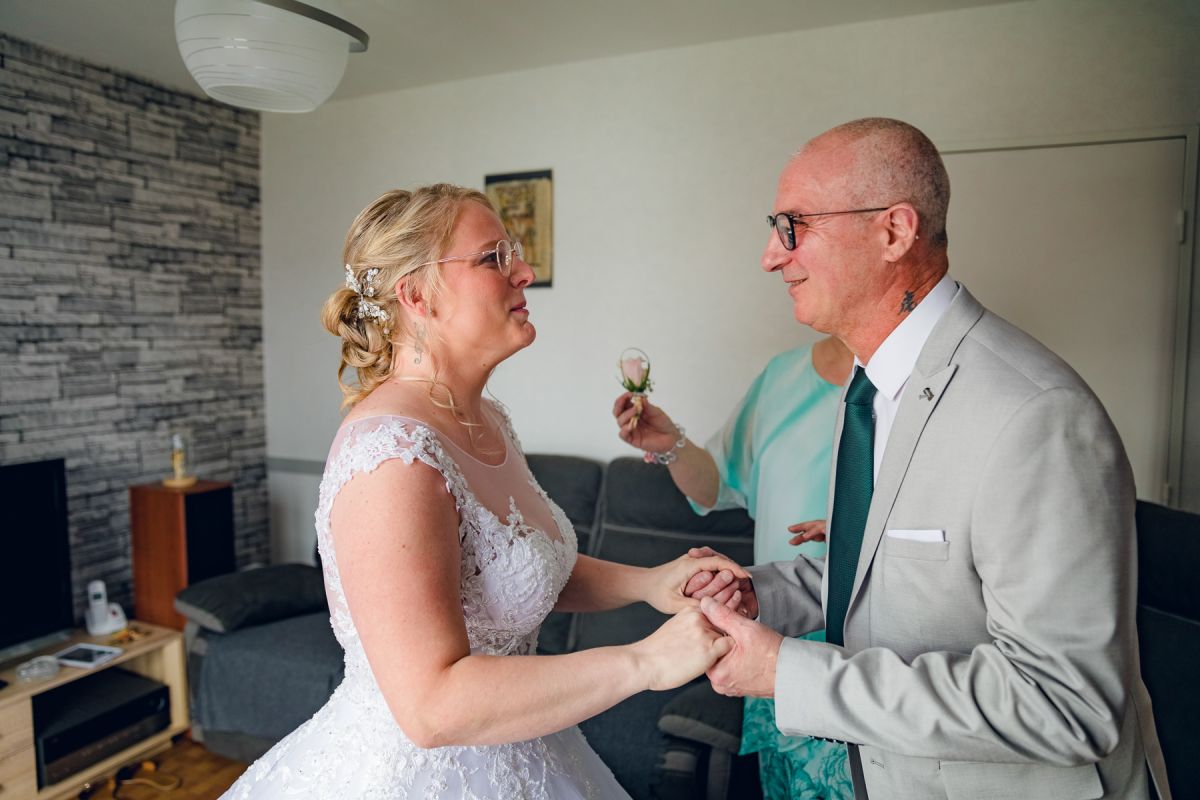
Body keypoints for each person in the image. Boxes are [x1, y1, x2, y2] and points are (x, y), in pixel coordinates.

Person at [686, 118, 1172, 800]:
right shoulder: (871, 393)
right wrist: (763, 595)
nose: (771, 256)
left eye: (794, 226)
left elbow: (1067, 702)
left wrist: (790, 675)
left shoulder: (1036, 416)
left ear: (894, 232)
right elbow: (886, 579)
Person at [222, 185, 747, 800]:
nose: (524, 271)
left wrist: (651, 583)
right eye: (494, 257)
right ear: (417, 296)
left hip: (529, 748)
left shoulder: (487, 419)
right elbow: (432, 707)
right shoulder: (390, 456)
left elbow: (516, 572)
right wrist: (646, 662)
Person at [612, 335, 856, 799]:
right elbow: (717, 487)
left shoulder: (926, 383)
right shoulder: (782, 377)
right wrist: (671, 445)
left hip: (869, 665)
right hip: (772, 646)